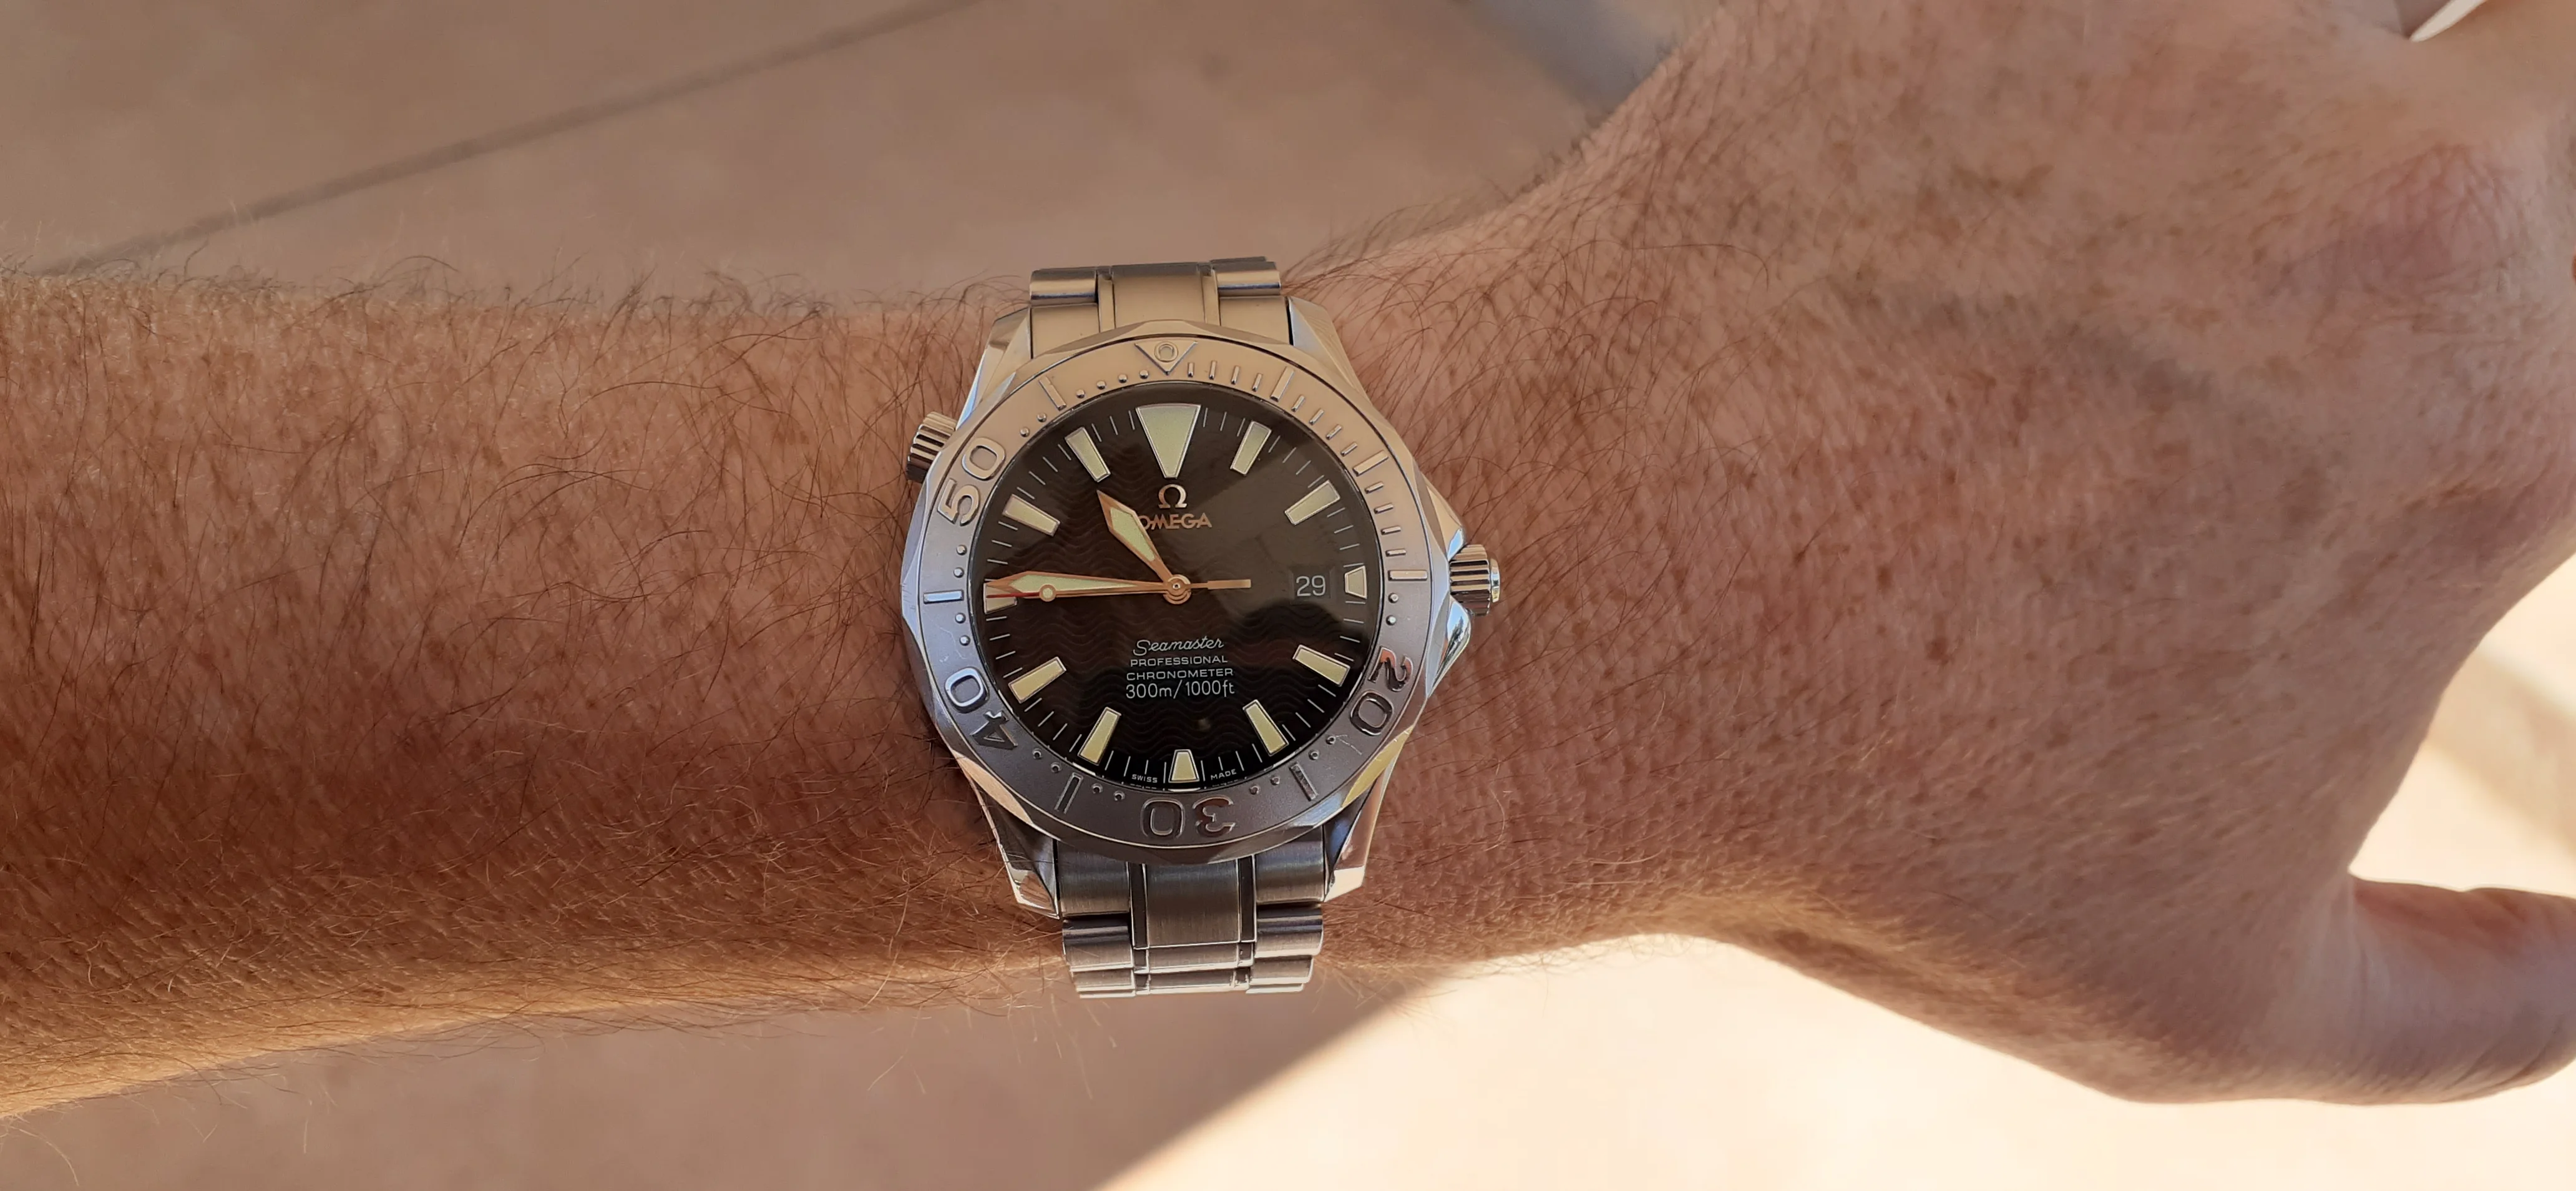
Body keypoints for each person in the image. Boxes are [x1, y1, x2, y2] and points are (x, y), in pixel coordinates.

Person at [2, 0, 2570, 1114]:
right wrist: (1646, 582)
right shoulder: (1247, 599)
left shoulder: (1334, 588)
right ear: (1433, 608)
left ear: (1434, 598)